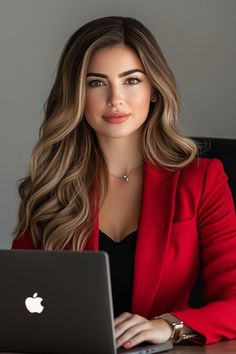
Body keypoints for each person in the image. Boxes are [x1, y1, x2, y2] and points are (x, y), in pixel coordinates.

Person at [12, 16, 236, 349]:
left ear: (154, 89)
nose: (115, 98)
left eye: (131, 80)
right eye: (96, 83)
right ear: (76, 94)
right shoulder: (51, 184)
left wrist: (169, 326)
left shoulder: (202, 179)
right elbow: (19, 299)